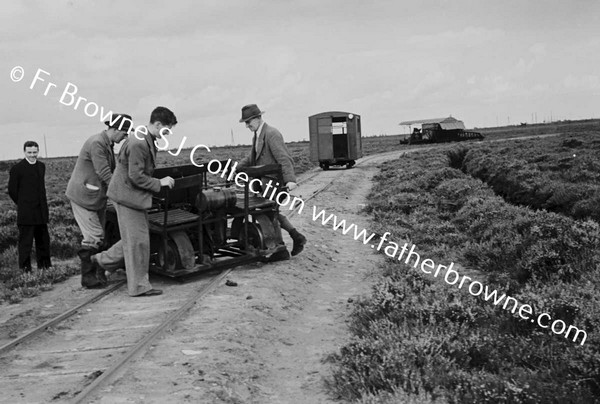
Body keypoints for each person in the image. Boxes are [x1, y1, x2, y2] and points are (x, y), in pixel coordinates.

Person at [84, 107, 177, 297]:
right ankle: (139, 287)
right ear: (158, 124)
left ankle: (98, 261)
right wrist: (159, 183)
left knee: (135, 239)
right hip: (127, 196)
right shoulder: (138, 142)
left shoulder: (145, 138)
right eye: (166, 130)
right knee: (137, 242)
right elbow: (136, 176)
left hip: (132, 196)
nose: (167, 134)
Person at [66, 113, 132, 288]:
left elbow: (114, 171)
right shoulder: (97, 143)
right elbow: (104, 173)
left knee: (100, 236)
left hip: (95, 197)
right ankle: (88, 278)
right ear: (116, 129)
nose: (125, 137)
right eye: (124, 133)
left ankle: (99, 271)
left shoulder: (106, 143)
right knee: (94, 237)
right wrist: (121, 194)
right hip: (84, 197)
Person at [237, 104, 307, 259]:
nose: (247, 126)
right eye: (246, 123)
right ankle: (296, 238)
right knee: (271, 212)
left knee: (270, 213)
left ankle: (280, 250)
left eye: (249, 122)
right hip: (264, 181)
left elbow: (284, 157)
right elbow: (252, 157)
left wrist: (290, 180)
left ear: (258, 118)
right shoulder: (258, 135)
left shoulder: (271, 134)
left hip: (274, 181)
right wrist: (236, 168)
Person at [8, 141, 52, 271]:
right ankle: (25, 269)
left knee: (43, 241)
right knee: (25, 243)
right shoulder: (17, 169)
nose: (32, 155)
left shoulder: (41, 166)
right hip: (26, 213)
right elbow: (12, 191)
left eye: (35, 152)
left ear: (38, 151)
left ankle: (45, 267)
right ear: (24, 152)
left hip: (41, 212)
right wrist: (23, 203)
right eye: (30, 152)